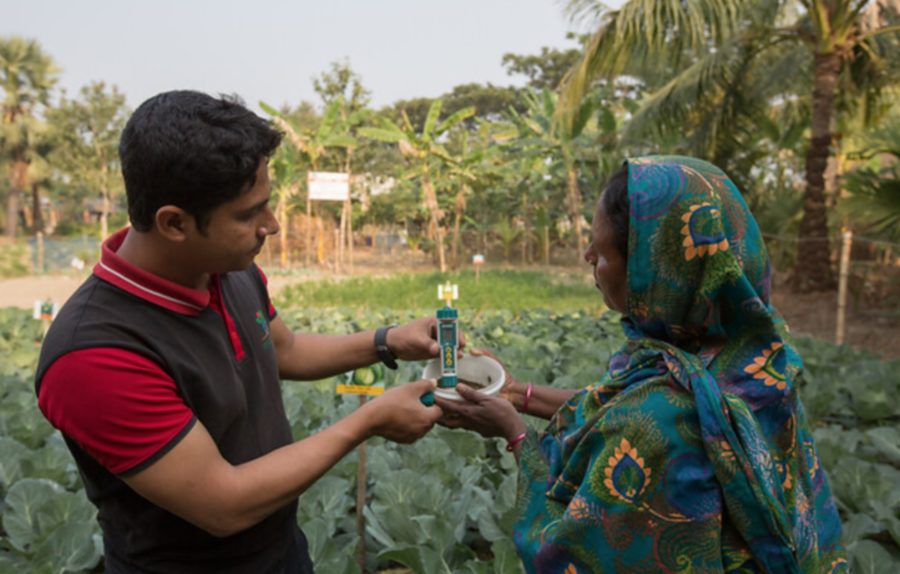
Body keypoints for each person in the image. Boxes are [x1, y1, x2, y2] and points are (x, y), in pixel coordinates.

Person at [35, 90, 448, 574]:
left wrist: (387, 341)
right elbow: (222, 503)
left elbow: (285, 349)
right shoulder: (92, 356)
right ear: (174, 223)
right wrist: (368, 422)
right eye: (250, 213)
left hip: (282, 552)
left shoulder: (227, 269)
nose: (271, 225)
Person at [439, 156, 847, 573]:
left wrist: (514, 433)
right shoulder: (759, 361)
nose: (586, 256)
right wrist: (514, 393)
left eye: (600, 250)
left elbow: (570, 559)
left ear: (649, 271)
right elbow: (615, 408)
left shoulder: (658, 420)